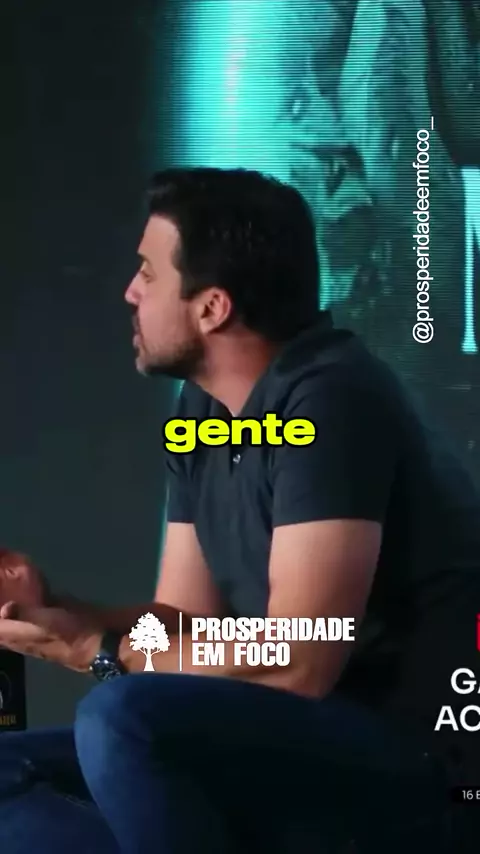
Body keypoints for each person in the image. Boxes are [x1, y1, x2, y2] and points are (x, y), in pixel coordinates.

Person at [1, 166, 480, 853]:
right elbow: (182, 623)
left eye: (148, 274)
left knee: (123, 718)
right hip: (296, 739)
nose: (129, 291)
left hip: (419, 760)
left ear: (212, 308)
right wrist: (61, 612)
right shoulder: (202, 410)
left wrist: (96, 651)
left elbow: (299, 659)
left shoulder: (331, 399)